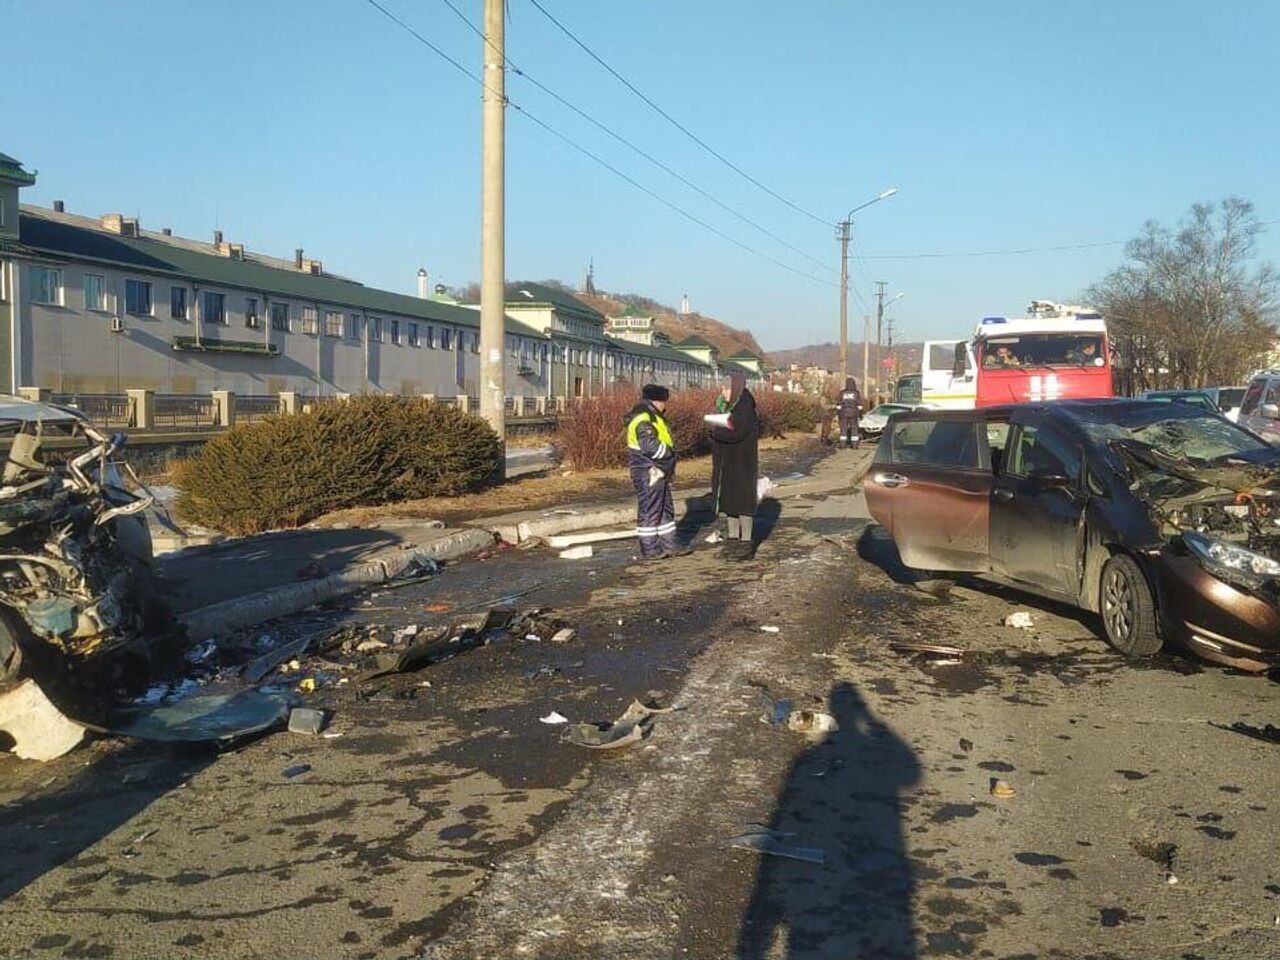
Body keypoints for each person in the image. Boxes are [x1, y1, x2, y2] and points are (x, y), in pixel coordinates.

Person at [624, 384, 678, 560]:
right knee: (650, 510)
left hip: (658, 470)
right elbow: (651, 447)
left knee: (664, 509)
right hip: (648, 470)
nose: (665, 405)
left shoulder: (653, 416)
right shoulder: (644, 419)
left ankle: (669, 545)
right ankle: (650, 550)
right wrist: (669, 454)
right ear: (656, 401)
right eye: (664, 401)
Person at [710, 372, 760, 560]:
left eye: (725, 388)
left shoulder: (745, 405)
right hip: (728, 462)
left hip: (742, 462)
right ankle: (732, 540)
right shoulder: (730, 405)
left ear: (735, 387)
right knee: (729, 502)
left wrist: (716, 430)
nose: (723, 393)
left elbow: (736, 432)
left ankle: (745, 544)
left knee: (742, 503)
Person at [837, 377, 862, 448]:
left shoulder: (842, 393)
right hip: (854, 414)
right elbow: (859, 405)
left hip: (844, 414)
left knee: (843, 429)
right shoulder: (856, 393)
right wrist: (860, 415)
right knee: (854, 429)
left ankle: (842, 445)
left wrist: (839, 414)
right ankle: (854, 445)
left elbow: (838, 405)